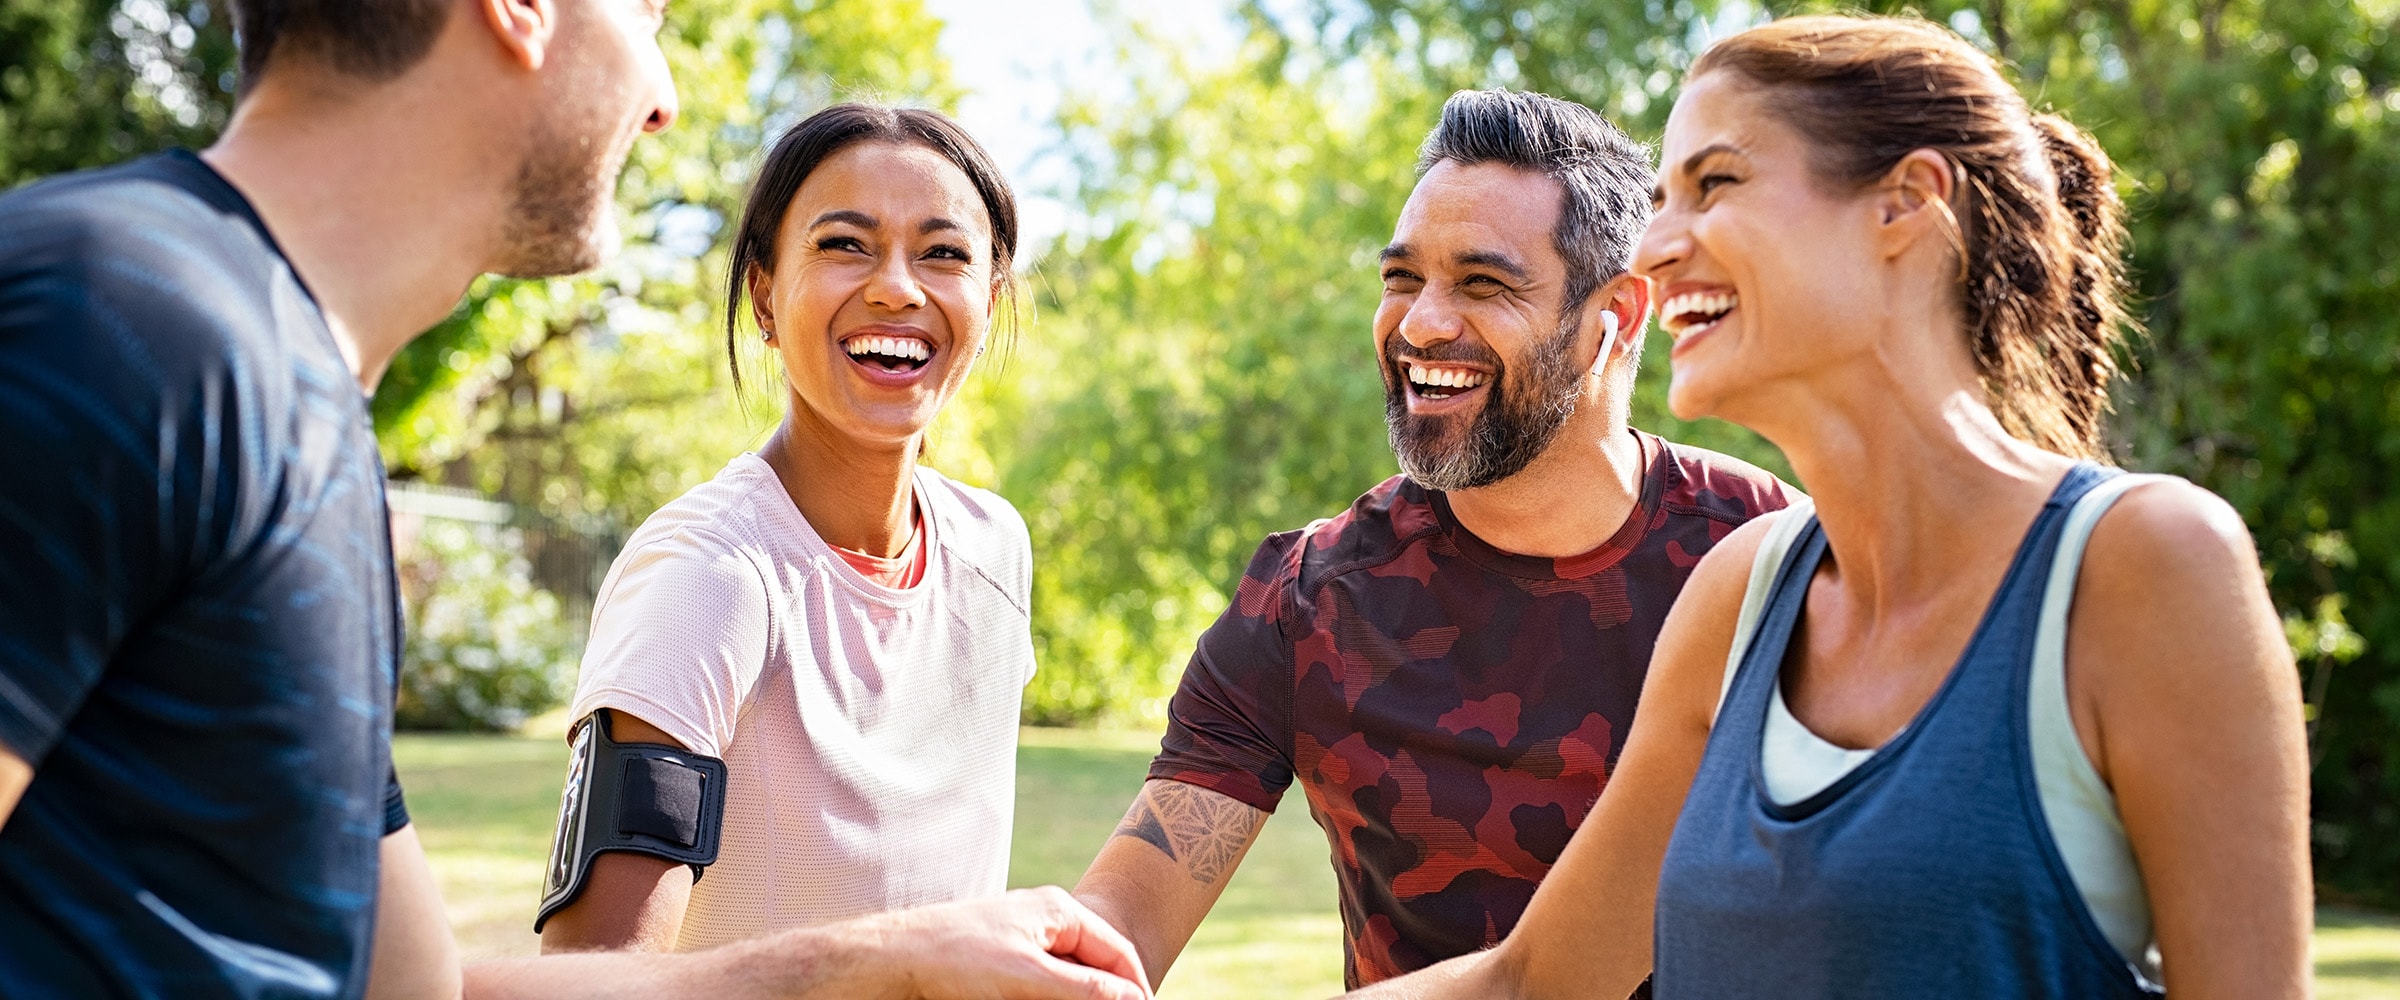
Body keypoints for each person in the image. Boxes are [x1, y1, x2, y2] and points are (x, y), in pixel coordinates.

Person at [0, 1, 1146, 998]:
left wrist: (896, 960)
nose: (664, 102)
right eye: (647, 11)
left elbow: (405, 990)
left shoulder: (308, 421)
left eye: (944, 253)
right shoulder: (113, 324)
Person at [1346, 15, 2311, 1000]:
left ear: (1905, 205)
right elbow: (1532, 978)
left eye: (1712, 185)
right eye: (1660, 199)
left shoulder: (2143, 565)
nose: (1656, 248)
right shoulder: (1743, 594)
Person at [1071, 89, 1794, 992]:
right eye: (1403, 278)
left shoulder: (1772, 557)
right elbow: (1119, 928)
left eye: (1484, 284)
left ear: (1618, 316)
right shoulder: (1308, 600)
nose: (1420, 325)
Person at [534, 103, 1041, 953]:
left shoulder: (995, 549)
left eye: (944, 253)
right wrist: (894, 963)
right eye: (845, 244)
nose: (897, 286)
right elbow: (594, 977)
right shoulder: (705, 576)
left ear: (987, 302)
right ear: (765, 297)